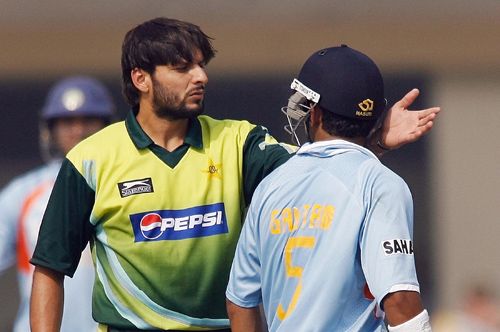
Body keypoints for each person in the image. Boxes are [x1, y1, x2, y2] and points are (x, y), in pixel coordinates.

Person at [29, 18, 439, 332]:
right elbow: (50, 269)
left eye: (202, 65)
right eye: (182, 67)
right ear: (141, 79)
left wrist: (374, 140)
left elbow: (324, 167)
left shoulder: (239, 142)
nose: (201, 76)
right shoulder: (91, 160)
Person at [226, 45, 433, 331]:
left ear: (315, 114)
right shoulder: (381, 184)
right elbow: (399, 300)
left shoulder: (270, 187)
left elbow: (240, 302)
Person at [0, 76, 115, 332]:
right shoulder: (23, 193)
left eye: (88, 120)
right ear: (49, 130)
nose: (78, 130)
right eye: (67, 122)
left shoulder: (127, 184)